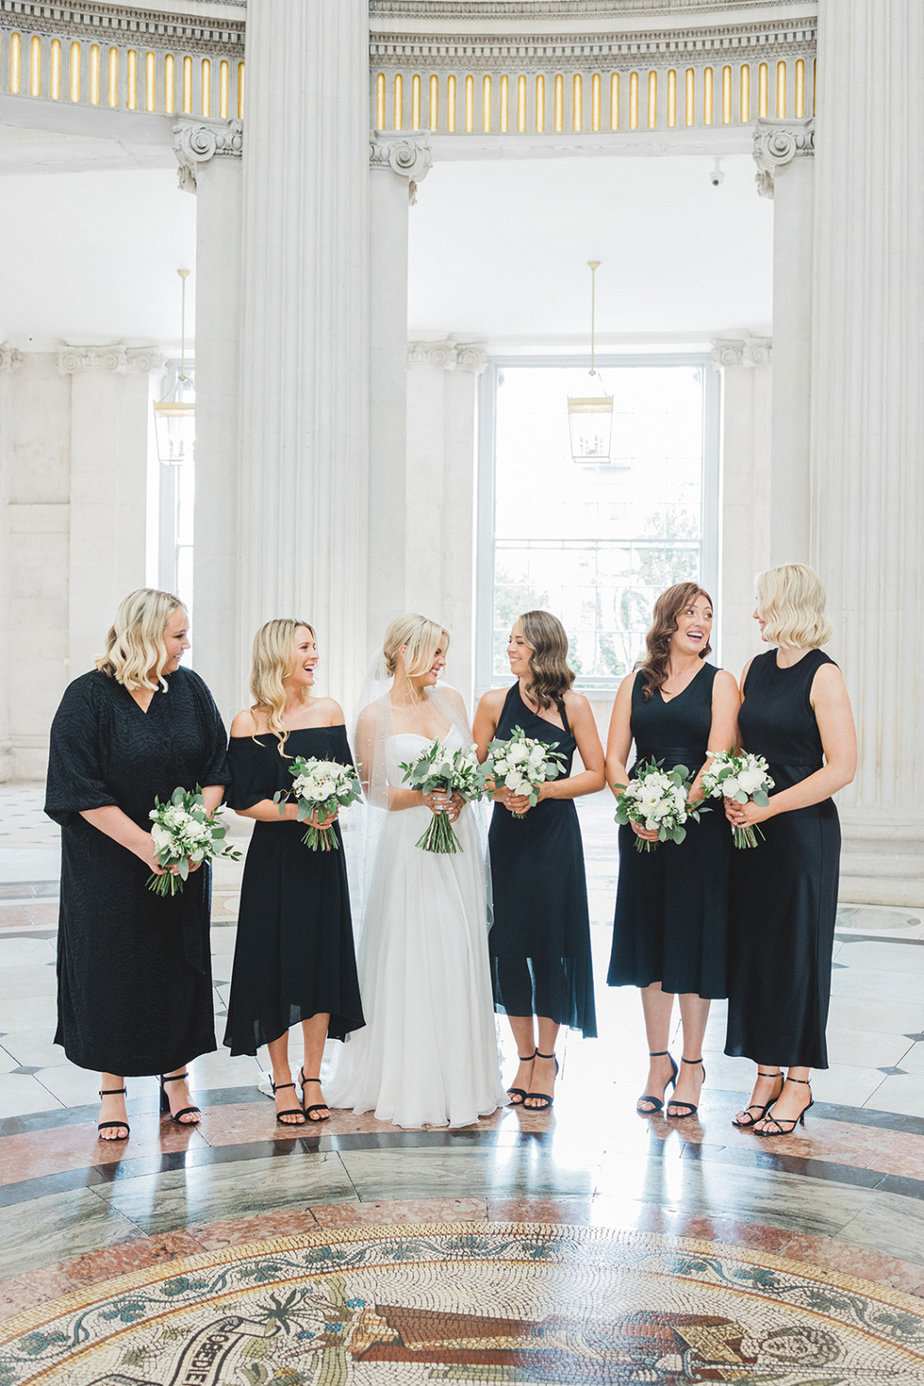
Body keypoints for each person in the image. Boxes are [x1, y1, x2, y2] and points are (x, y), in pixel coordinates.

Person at [44, 589, 230, 1140]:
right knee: (113, 970)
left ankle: (177, 1079)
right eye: (177, 634)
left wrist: (190, 831)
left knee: (176, 965)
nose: (186, 643)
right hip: (107, 867)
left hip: (181, 866)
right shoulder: (88, 697)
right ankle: (112, 1087)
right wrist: (150, 845)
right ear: (146, 636)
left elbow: (218, 767)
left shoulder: (190, 689)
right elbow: (79, 788)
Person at [324, 614, 506, 1128]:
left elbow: (472, 769)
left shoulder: (452, 702)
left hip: (458, 842)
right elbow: (371, 792)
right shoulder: (372, 717)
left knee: (457, 947)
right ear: (405, 652)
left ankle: (463, 1079)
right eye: (435, 653)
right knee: (415, 948)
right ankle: (410, 1079)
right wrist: (424, 795)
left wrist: (461, 791)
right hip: (409, 844)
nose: (443, 663)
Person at [725, 564, 856, 1136]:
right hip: (754, 830)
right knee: (757, 950)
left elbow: (843, 768)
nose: (755, 613)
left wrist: (772, 805)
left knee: (799, 952)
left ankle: (798, 1081)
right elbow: (740, 745)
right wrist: (735, 795)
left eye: (762, 603)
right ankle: (766, 1072)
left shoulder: (823, 674)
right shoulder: (756, 667)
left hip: (803, 834)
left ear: (788, 606)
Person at [605, 583, 739, 1119]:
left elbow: (718, 757)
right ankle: (657, 1061)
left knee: (691, 941)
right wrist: (637, 808)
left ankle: (692, 1064)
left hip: (698, 829)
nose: (701, 620)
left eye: (708, 612)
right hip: (640, 827)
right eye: (691, 611)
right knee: (651, 944)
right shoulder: (635, 683)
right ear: (668, 621)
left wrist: (674, 809)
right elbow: (616, 759)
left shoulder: (721, 682)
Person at [223, 620, 364, 1124]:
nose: (315, 655)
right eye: (305, 647)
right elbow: (242, 802)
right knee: (274, 962)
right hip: (274, 860)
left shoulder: (329, 712)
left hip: (324, 857)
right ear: (279, 655)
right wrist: (298, 812)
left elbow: (347, 784)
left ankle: (313, 1075)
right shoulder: (247, 722)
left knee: (321, 959)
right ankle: (282, 1079)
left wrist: (329, 805)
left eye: (315, 647)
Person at [473, 611, 605, 1111]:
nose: (510, 649)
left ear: (543, 648)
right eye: (508, 641)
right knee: (508, 947)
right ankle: (523, 1055)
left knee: (551, 946)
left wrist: (542, 788)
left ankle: (546, 1060)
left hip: (554, 840)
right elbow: (475, 771)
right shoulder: (492, 702)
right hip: (507, 836)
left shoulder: (574, 705)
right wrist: (501, 789)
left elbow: (595, 775)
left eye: (519, 642)